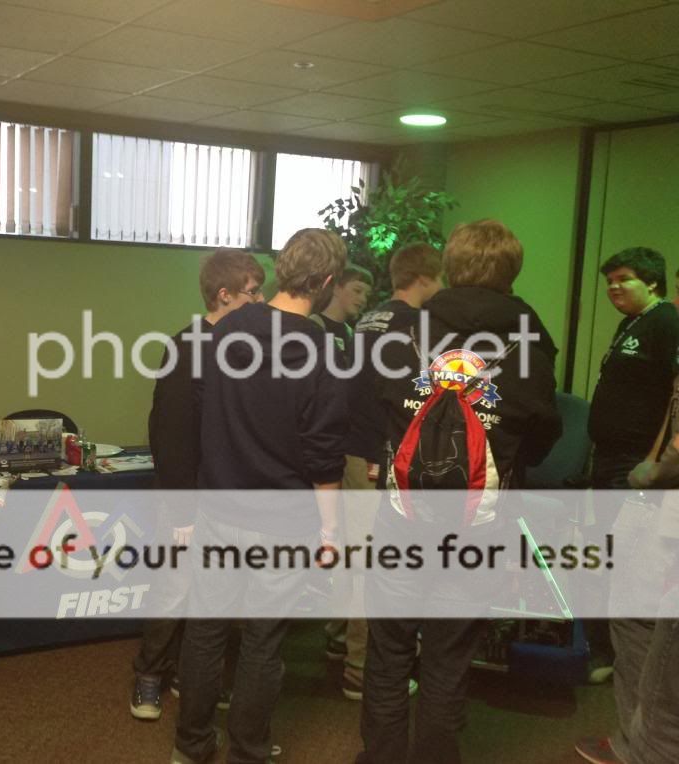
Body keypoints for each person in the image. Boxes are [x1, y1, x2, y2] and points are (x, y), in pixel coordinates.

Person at [359, 220, 561, 764]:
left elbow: (378, 405)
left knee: (389, 652)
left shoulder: (407, 330)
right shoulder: (530, 340)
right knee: (448, 659)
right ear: (512, 271)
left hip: (403, 516)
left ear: (449, 268)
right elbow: (543, 435)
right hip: (479, 525)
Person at [172, 228, 349, 764]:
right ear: (326, 281)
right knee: (262, 641)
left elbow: (202, 411)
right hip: (284, 518)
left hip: (219, 506)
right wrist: (330, 530)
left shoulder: (226, 329)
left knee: (205, 632)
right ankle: (247, 751)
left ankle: (191, 747)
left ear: (282, 268)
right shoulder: (322, 349)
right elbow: (324, 455)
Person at [131, 248, 266, 721]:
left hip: (227, 493)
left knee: (219, 591)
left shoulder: (245, 349)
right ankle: (149, 674)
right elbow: (169, 434)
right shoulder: (186, 347)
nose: (261, 300)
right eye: (253, 292)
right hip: (186, 493)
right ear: (224, 295)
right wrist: (182, 509)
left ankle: (193, 676)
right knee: (174, 586)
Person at [328, 243, 444, 700]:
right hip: (379, 454)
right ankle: (360, 669)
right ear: (426, 278)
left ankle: (341, 639)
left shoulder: (369, 319)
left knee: (353, 551)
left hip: (352, 450)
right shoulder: (416, 326)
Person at [586, 247, 679, 680]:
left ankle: (628, 665)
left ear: (652, 282)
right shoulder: (631, 323)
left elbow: (672, 400)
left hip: (634, 463)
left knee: (624, 561)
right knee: (605, 553)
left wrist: (652, 459)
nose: (614, 288)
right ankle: (607, 652)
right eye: (609, 281)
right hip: (608, 458)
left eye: (624, 279)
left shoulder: (666, 323)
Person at [575, 381, 679, 764]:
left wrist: (649, 474)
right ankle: (634, 739)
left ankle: (639, 745)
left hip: (664, 506)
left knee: (642, 626)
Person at [316, 264, 373, 366]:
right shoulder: (314, 325)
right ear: (337, 289)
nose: (363, 299)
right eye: (357, 291)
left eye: (367, 295)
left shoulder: (350, 333)